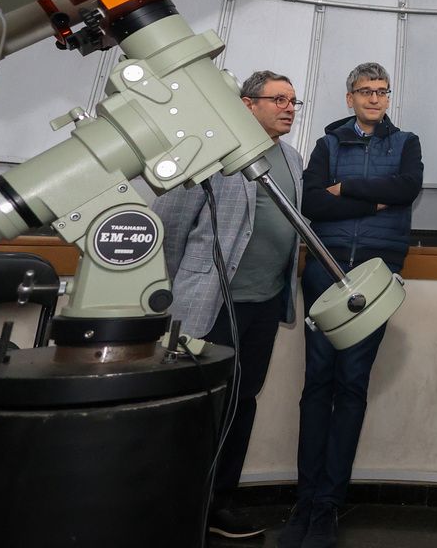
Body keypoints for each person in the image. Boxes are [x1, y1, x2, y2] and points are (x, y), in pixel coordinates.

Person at [153, 69, 304, 541]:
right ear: (246, 104)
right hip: (212, 306)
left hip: (263, 306)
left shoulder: (293, 158)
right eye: (278, 99)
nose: (288, 108)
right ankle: (176, 506)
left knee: (242, 402)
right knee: (199, 407)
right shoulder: (212, 153)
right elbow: (171, 229)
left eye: (293, 101)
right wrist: (177, 297)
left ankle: (220, 502)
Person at [280, 62, 423, 548]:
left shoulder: (406, 143)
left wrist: (350, 189)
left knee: (352, 383)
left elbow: (406, 190)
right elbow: (315, 204)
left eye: (382, 91)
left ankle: (329, 504)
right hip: (325, 266)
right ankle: (306, 497)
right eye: (366, 91)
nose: (375, 98)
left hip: (376, 275)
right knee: (317, 381)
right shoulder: (327, 145)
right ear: (350, 97)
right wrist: (372, 202)